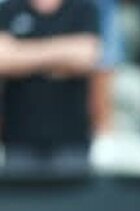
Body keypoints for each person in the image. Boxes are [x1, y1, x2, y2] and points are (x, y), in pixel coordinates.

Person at [0, 0, 100, 174]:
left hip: (71, 142)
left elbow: (86, 56)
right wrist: (62, 54)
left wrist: (22, 54)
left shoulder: (83, 9)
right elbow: (4, 59)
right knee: (21, 201)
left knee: (73, 200)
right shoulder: (9, 9)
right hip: (19, 142)